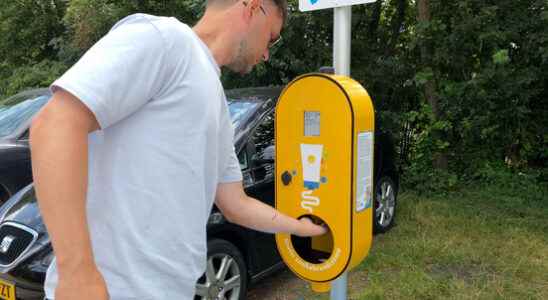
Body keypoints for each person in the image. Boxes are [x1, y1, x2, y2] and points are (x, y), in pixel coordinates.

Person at [29, 0, 327, 299]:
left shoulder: (216, 100)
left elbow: (236, 205)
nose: (265, 53)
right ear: (252, 7)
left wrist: (301, 228)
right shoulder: (163, 39)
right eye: (271, 37)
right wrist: (77, 272)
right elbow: (54, 125)